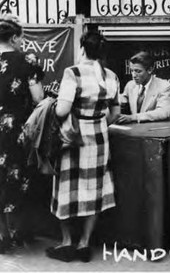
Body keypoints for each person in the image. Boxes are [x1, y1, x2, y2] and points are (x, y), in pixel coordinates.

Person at [47, 31, 120, 262]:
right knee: (94, 188)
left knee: (66, 187)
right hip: (99, 137)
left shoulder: (73, 72)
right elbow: (116, 112)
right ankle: (85, 243)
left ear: (82, 49)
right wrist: (97, 122)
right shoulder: (111, 76)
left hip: (73, 138)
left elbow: (61, 111)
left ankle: (67, 242)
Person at [0, 14, 44, 253]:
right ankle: (21, 232)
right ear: (15, 37)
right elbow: (38, 98)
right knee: (20, 176)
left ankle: (2, 236)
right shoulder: (27, 59)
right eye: (21, 38)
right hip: (17, 127)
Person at [115, 51, 170, 124]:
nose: (134, 75)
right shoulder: (130, 85)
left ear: (150, 70)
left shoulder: (165, 86)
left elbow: (163, 112)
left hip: (155, 131)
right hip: (135, 130)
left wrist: (134, 117)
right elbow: (122, 101)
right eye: (132, 71)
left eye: (138, 71)